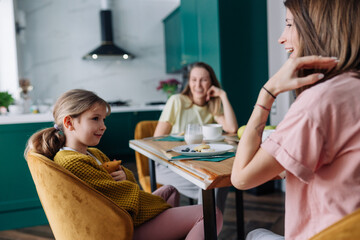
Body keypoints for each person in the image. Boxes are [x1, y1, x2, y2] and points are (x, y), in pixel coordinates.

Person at [231, 0, 360, 239]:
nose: (282, 38)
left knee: (253, 235)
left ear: (320, 28)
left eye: (289, 24)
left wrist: (267, 93)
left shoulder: (319, 101)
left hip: (326, 233)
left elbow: (241, 178)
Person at [25, 89, 223, 240]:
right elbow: (122, 197)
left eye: (103, 119)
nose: (103, 126)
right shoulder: (73, 162)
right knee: (210, 214)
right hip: (124, 225)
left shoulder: (91, 152)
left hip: (126, 213)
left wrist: (124, 176)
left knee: (170, 190)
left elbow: (120, 180)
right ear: (69, 123)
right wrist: (127, 179)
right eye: (95, 119)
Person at [153, 62, 238, 213]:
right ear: (189, 82)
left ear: (211, 82)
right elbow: (157, 138)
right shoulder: (177, 101)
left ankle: (207, 228)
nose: (198, 85)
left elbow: (231, 128)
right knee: (210, 184)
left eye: (203, 80)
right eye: (194, 79)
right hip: (168, 164)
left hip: (197, 165)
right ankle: (205, 227)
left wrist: (223, 95)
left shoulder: (212, 106)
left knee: (220, 181)